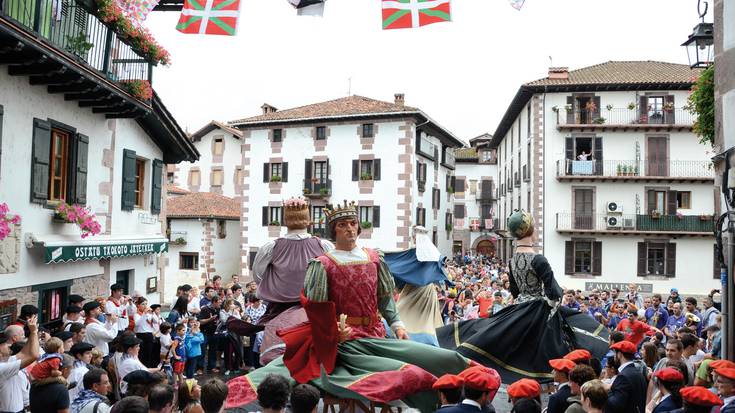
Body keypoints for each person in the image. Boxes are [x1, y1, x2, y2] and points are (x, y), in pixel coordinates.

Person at [227, 200, 473, 412]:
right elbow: (317, 310)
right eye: (342, 225)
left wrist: (397, 323)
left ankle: (467, 397)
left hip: (377, 334)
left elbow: (386, 298)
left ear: (359, 226)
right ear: (334, 231)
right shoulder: (322, 263)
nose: (349, 229)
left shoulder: (375, 258)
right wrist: (333, 332)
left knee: (444, 357)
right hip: (344, 343)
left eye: (352, 223)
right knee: (411, 374)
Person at [437, 210, 608, 383]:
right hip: (538, 308)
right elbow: (554, 292)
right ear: (531, 231)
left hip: (519, 307)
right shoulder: (538, 259)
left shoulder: (512, 260)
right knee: (573, 333)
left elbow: (515, 290)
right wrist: (549, 307)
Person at [0, 314, 38, 413]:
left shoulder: (5, 361)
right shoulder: (2, 368)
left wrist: (33, 332)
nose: (10, 348)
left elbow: (23, 353)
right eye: (6, 346)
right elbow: (33, 356)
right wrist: (33, 332)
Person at [606, 341, 647, 413]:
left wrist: (607, 391)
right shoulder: (638, 373)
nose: (614, 356)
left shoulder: (623, 376)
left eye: (615, 353)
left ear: (619, 354)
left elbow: (615, 405)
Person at [198, 295, 222, 374]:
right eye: (219, 302)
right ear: (214, 302)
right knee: (202, 351)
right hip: (205, 332)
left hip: (214, 332)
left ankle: (211, 367)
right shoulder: (205, 309)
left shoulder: (218, 309)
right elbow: (200, 321)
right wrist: (210, 319)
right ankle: (200, 368)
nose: (220, 304)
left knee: (213, 351)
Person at [133, 297, 156, 368]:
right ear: (138, 305)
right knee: (142, 353)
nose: (145, 306)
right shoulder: (136, 314)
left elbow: (155, 321)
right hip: (141, 335)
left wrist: (153, 313)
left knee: (149, 353)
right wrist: (144, 314)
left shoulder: (149, 314)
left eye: (146, 304)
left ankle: (148, 368)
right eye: (143, 304)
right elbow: (137, 323)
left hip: (149, 334)